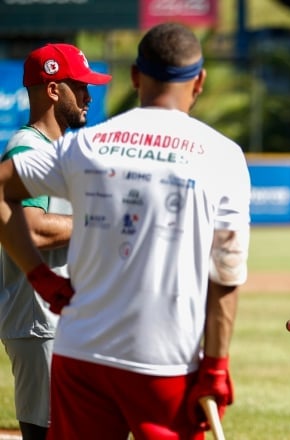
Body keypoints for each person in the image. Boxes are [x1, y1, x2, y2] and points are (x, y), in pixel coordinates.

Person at [0, 22, 251, 439]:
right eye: (79, 85)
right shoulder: (223, 155)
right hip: (163, 358)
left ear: (136, 77)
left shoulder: (83, 145)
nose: (88, 94)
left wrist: (38, 275)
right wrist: (216, 364)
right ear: (201, 81)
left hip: (80, 348)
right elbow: (225, 273)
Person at [0, 43, 111, 440]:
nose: (88, 96)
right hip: (40, 323)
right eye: (79, 86)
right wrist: (102, 222)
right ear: (52, 89)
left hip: (58, 319)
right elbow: (32, 226)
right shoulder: (27, 148)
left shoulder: (55, 151)